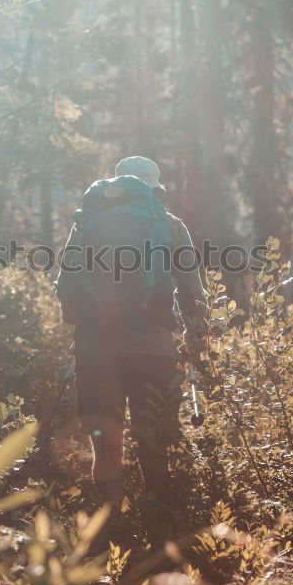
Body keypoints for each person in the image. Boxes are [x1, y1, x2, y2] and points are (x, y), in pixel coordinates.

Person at [55, 156, 208, 511]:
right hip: (153, 350)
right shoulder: (169, 226)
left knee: (105, 443)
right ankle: (162, 519)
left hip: (95, 351)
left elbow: (66, 284)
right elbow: (192, 292)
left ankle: (111, 523)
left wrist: (84, 324)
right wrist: (194, 337)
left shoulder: (87, 223)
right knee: (153, 438)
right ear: (155, 189)